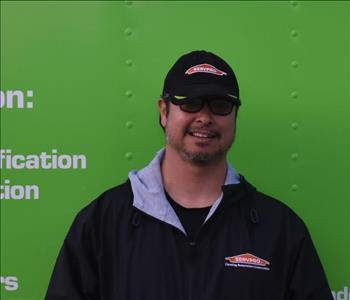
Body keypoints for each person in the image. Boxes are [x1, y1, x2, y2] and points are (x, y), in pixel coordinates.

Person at [45, 50, 333, 300]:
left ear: (235, 116)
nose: (204, 117)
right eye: (190, 103)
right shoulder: (102, 223)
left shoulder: (279, 229)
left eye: (220, 105)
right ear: (163, 111)